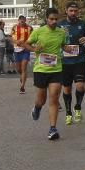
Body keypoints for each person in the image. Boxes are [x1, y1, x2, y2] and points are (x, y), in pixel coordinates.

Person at [24, 8, 68, 140]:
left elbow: (64, 46)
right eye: (51, 19)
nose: (54, 21)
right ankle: (37, 108)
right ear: (46, 19)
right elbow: (26, 44)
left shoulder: (61, 32)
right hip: (41, 70)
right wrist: (34, 48)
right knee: (42, 100)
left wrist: (69, 48)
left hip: (56, 69)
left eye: (56, 19)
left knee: (54, 98)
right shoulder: (39, 32)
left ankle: (52, 129)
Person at [59, 3, 85, 126]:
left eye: (75, 11)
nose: (73, 13)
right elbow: (55, 40)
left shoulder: (82, 24)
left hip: (79, 61)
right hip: (65, 62)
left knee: (80, 87)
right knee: (67, 89)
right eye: (71, 10)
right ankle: (68, 113)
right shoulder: (60, 25)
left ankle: (77, 107)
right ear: (66, 11)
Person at [11, 16, 33, 94]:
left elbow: (32, 38)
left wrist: (29, 45)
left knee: (24, 68)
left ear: (25, 21)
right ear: (18, 21)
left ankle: (22, 86)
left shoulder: (30, 28)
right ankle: (22, 76)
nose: (22, 22)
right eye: (21, 21)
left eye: (23, 21)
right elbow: (11, 38)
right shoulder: (14, 27)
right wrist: (16, 42)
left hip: (25, 50)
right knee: (19, 69)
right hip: (17, 50)